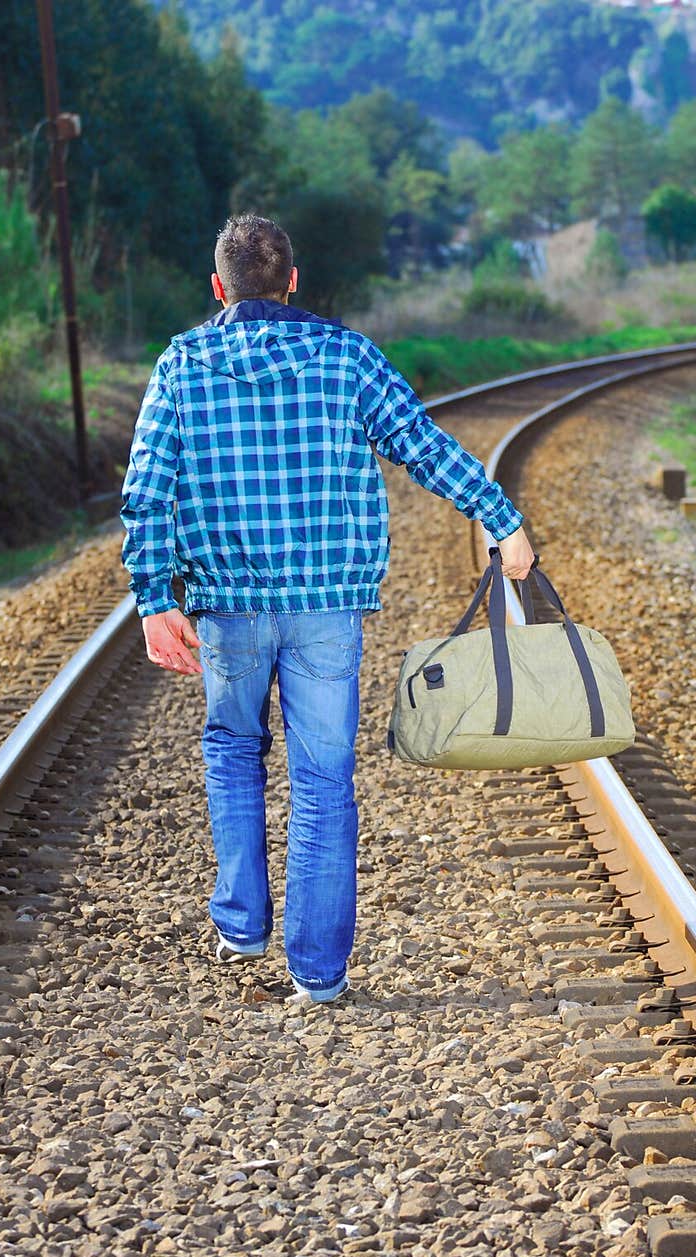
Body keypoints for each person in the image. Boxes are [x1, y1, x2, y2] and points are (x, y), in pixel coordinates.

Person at [121, 213, 534, 1005]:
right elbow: (421, 443)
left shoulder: (183, 361)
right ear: (293, 282)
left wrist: (153, 597)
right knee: (322, 777)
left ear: (219, 287)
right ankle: (318, 972)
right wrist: (500, 518)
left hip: (228, 606)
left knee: (232, 748)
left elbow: (146, 490)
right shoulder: (346, 356)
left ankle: (242, 923)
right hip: (325, 607)